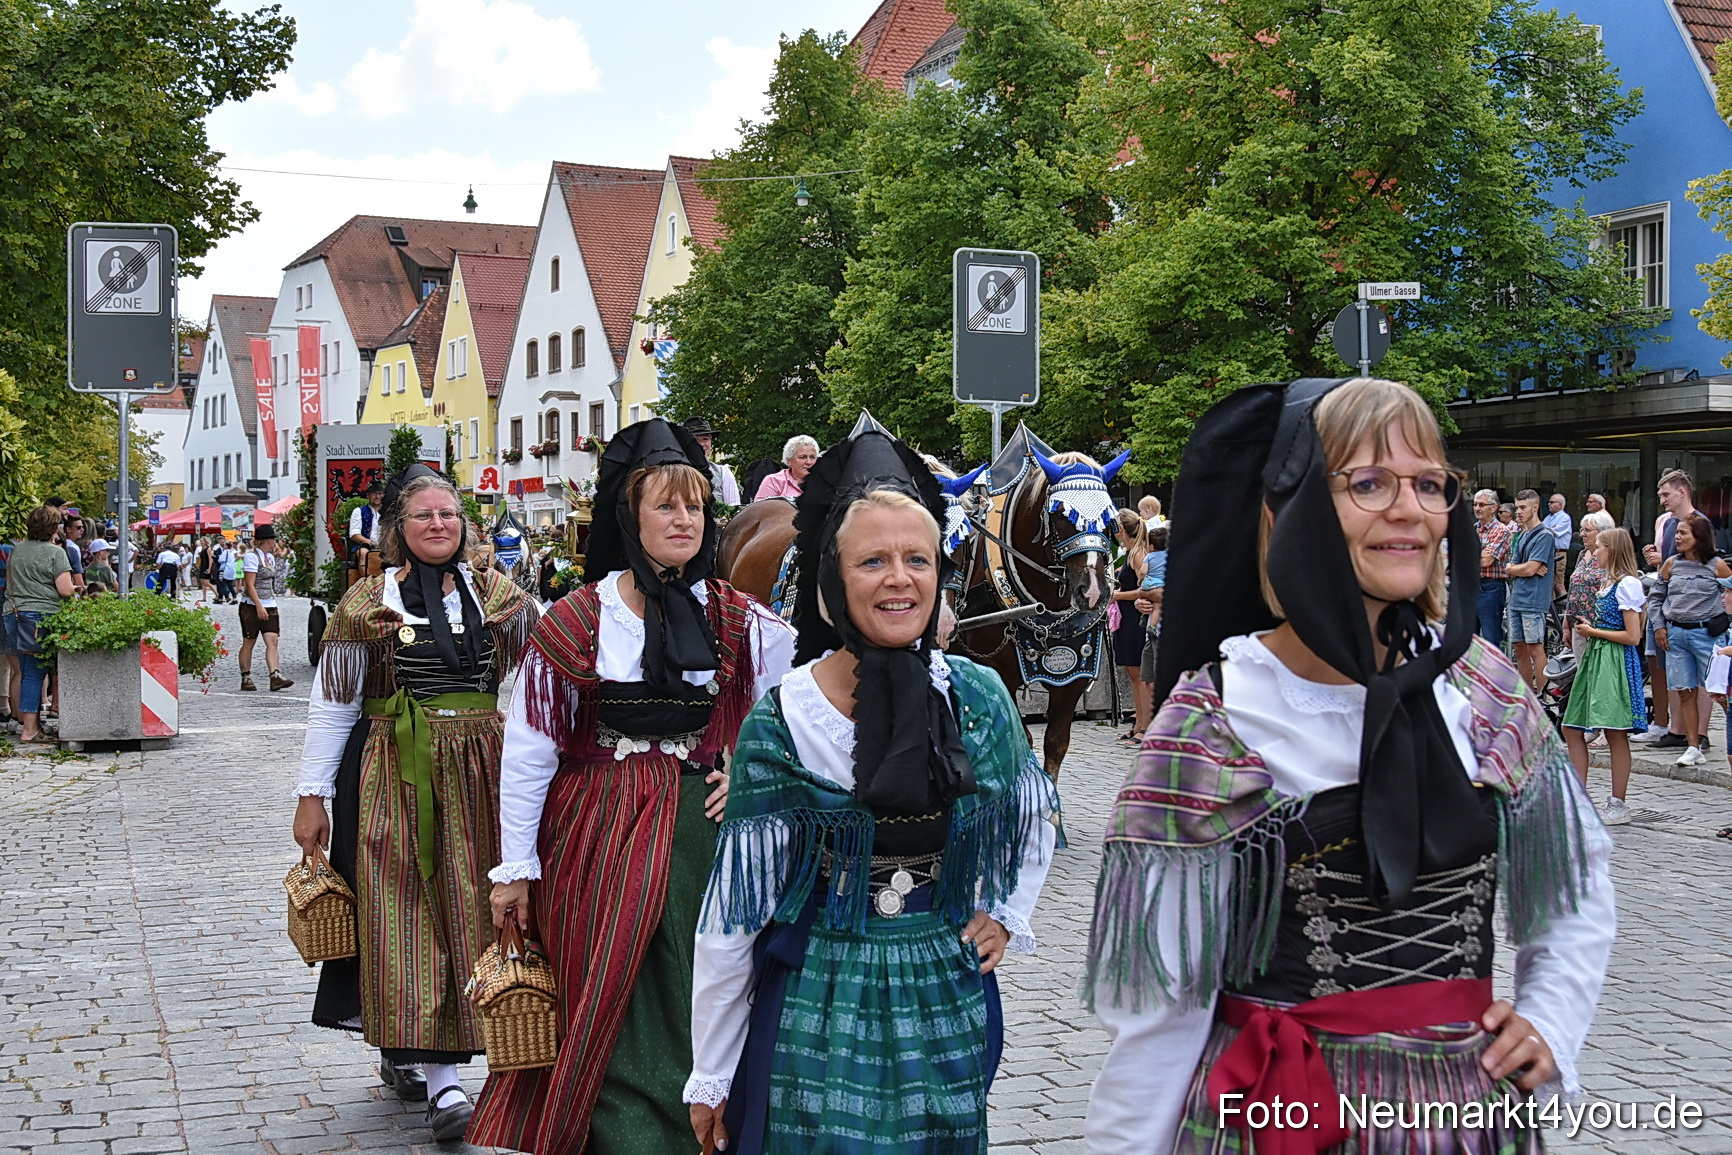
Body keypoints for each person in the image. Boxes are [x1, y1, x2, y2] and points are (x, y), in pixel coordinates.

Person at [1082, 377, 1614, 1154]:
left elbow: (1575, 882)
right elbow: (1160, 1022)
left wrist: (1551, 1020)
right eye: (1368, 482)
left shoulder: (1488, 687)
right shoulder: (1215, 721)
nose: (1409, 508)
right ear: (1284, 512)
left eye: (1429, 483)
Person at [684, 426, 1058, 1155]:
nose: (900, 578)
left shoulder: (976, 694)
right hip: (822, 989)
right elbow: (734, 915)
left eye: (917, 558)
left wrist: (1007, 912)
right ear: (835, 581)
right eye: (873, 561)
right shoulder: (786, 718)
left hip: (944, 978)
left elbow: (1031, 813)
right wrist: (712, 1070)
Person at [469, 417, 794, 1155]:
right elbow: (529, 749)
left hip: (700, 840)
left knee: (702, 990)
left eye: (696, 506)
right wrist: (515, 869)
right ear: (631, 516)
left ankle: (702, 1125)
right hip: (599, 834)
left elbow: (793, 710)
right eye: (666, 506)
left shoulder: (740, 620)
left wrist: (749, 767)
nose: (685, 520)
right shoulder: (579, 619)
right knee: (606, 992)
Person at [292, 464, 540, 1143]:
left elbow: (535, 688)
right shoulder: (366, 602)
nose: (439, 524)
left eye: (450, 514)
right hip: (396, 775)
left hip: (484, 775)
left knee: (481, 912)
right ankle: (442, 1081)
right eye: (425, 515)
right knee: (409, 917)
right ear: (398, 528)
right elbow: (334, 702)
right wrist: (312, 795)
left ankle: (461, 1050)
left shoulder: (502, 596)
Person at [1562, 527, 1645, 825]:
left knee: (1614, 731)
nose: (1594, 552)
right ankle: (1578, 799)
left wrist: (1593, 631)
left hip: (1614, 661)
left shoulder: (1627, 584)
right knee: (1571, 727)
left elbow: (1633, 636)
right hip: (1598, 658)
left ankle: (1618, 803)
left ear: (1612, 549)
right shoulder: (1608, 583)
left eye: (1598, 547)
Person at [1636, 470, 1715, 750]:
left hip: (1695, 614)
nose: (1662, 500)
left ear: (1682, 492)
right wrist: (1659, 560)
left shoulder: (1700, 523)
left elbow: (1710, 567)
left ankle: (1700, 733)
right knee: (1673, 670)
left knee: (1703, 675)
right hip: (1669, 609)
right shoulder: (1668, 523)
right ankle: (1677, 729)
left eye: (1666, 494)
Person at [1647, 511, 1732, 769]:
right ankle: (1693, 746)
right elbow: (1656, 597)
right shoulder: (1671, 564)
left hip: (1708, 635)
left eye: (1683, 533)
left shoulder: (1716, 565)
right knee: (1684, 690)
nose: (1678, 538)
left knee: (1721, 691)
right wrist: (1659, 626)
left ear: (1700, 537)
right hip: (1676, 635)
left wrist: (1725, 619)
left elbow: (1730, 593)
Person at [4, 506, 74, 744]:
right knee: (35, 673)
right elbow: (64, 590)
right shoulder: (55, 553)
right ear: (54, 528)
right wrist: (76, 589)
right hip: (39, 617)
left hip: (13, 615)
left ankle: (29, 724)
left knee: (25, 672)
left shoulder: (17, 550)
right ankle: (30, 730)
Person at [1110, 509, 1152, 747]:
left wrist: (1117, 595)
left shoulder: (1137, 554)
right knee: (1133, 673)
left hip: (1136, 617)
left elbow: (1144, 590)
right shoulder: (1129, 553)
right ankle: (1138, 724)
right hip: (1127, 617)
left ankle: (1146, 726)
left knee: (1140, 674)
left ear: (1121, 529)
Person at [1505, 489, 1553, 691]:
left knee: (1535, 648)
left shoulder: (1545, 535)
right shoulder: (1523, 535)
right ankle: (1526, 694)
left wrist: (1521, 568)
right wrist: (1520, 569)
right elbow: (1511, 568)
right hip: (1517, 598)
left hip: (1533, 600)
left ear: (1535, 507)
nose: (1518, 512)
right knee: (1519, 648)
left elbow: (1530, 568)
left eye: (1523, 507)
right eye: (1517, 507)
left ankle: (1542, 695)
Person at [240, 526, 294, 692]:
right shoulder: (251, 557)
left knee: (273, 640)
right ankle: (246, 676)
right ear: (267, 540)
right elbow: (249, 584)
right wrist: (259, 605)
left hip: (269, 603)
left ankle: (275, 676)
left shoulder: (269, 557)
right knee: (249, 641)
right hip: (251, 605)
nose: (274, 542)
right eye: (273, 539)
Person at [1565, 510, 1615, 662]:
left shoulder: (1610, 557)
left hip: (1599, 626)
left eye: (1587, 530)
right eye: (1582, 530)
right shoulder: (1582, 554)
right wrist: (1566, 625)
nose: (1582, 534)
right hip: (1578, 624)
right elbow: (1573, 590)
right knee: (1582, 672)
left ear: (1602, 532)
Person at [1472, 488, 1513, 649]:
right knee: (1470, 640)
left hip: (1490, 588)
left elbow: (1486, 561)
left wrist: (1465, 558)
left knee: (1491, 641)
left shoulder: (1501, 531)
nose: (1477, 508)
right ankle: (1474, 674)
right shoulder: (1472, 529)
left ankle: (1494, 674)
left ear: (1494, 507)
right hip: (1470, 587)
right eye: (1475, 504)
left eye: (1482, 504)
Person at [683, 416, 743, 505]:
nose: (701, 444)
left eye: (705, 439)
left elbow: (734, 510)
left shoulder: (723, 473)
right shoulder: (674, 473)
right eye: (695, 440)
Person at [751, 435, 819, 501]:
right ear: (789, 460)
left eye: (812, 457)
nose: (809, 462)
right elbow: (759, 511)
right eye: (802, 457)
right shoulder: (773, 482)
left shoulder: (824, 483)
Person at [349, 482, 385, 574]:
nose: (377, 497)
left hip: (386, 546)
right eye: (374, 494)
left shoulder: (388, 513)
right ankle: (367, 583)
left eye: (380, 494)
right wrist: (370, 543)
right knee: (364, 553)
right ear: (368, 495)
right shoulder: (359, 511)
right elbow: (354, 534)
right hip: (365, 546)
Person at [1543, 493, 1572, 599]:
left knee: (1558, 583)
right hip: (1548, 552)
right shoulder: (1548, 518)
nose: (1548, 504)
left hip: (1559, 552)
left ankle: (1565, 607)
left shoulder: (1565, 518)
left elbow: (1549, 531)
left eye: (1552, 502)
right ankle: (1553, 609)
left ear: (1560, 505)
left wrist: (1546, 529)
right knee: (1549, 583)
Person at [61, 512, 87, 594]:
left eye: (82, 527)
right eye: (78, 527)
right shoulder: (73, 548)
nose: (82, 530)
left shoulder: (63, 544)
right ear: (68, 529)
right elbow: (77, 574)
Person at [215, 538, 237, 604]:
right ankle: (227, 597)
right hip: (231, 569)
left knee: (222, 584)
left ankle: (223, 598)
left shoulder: (226, 552)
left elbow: (220, 560)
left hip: (225, 570)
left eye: (225, 545)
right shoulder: (233, 551)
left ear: (227, 546)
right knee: (229, 584)